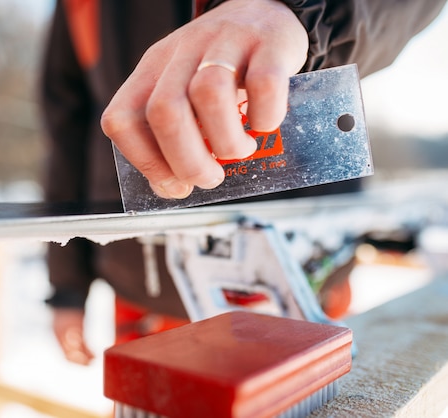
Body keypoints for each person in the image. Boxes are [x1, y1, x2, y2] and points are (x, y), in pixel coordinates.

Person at [40, 0, 447, 365]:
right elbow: (68, 121)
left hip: (305, 283)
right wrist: (66, 286)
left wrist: (301, 14)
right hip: (148, 292)